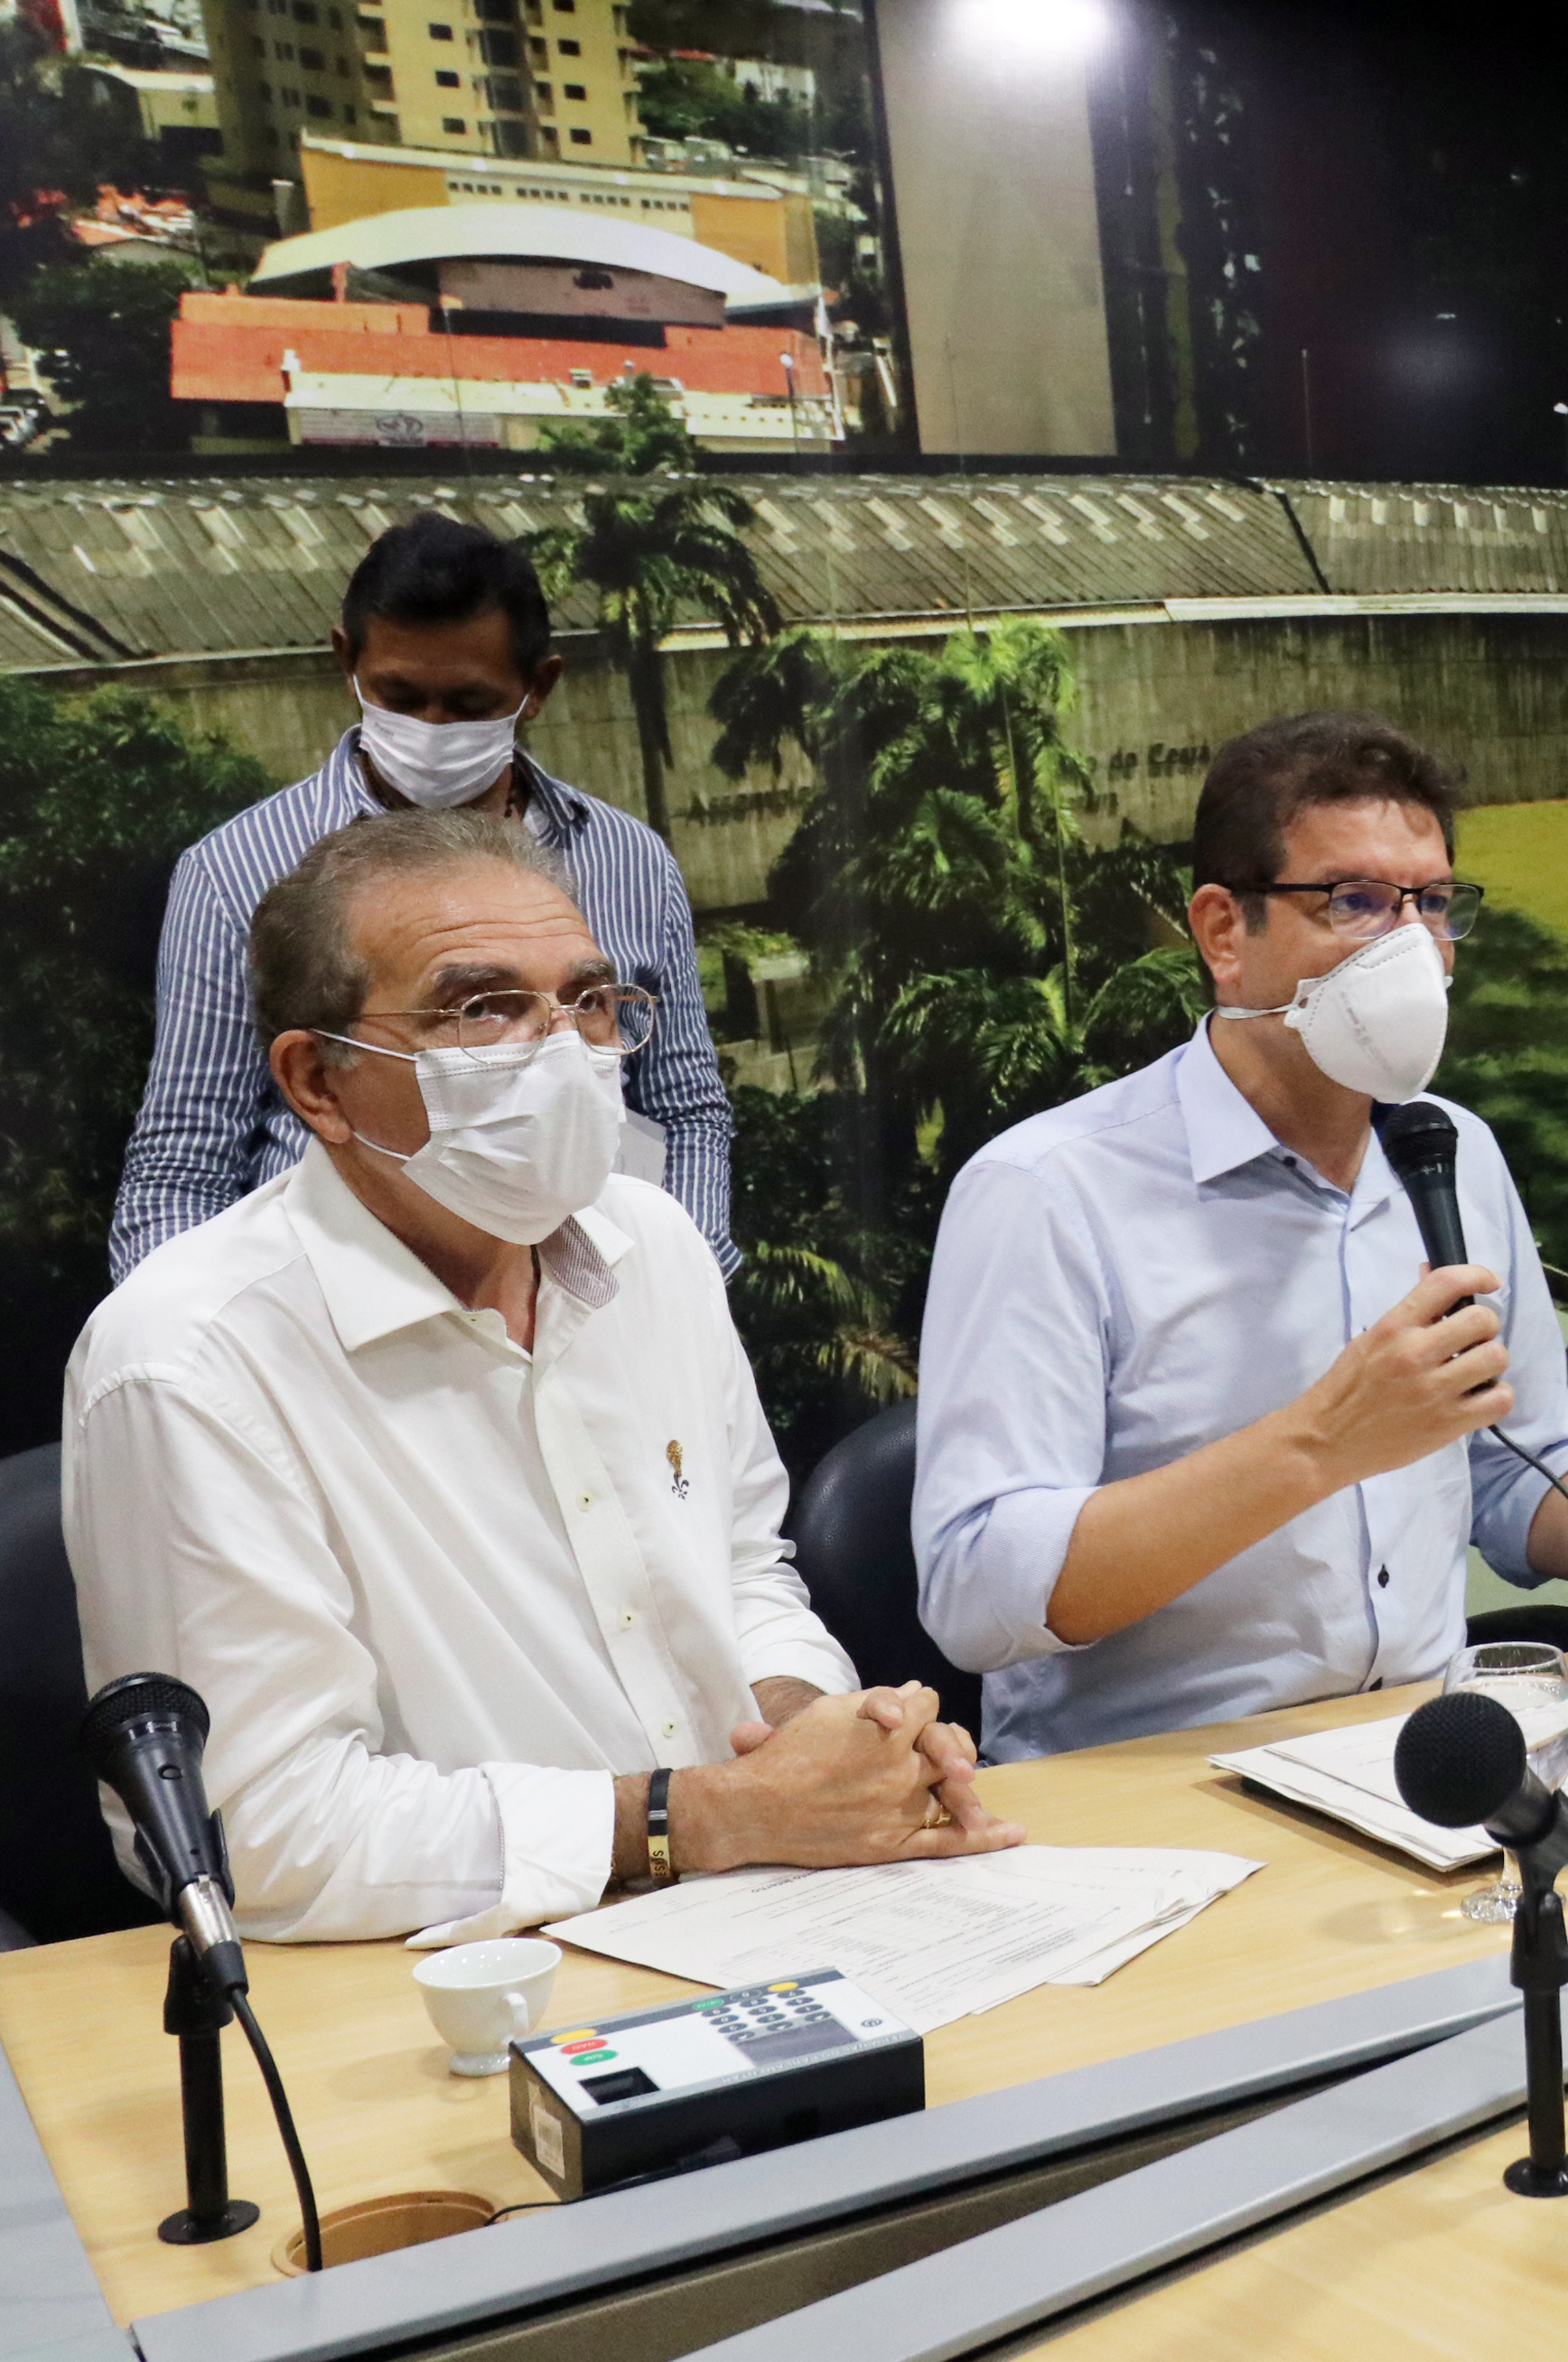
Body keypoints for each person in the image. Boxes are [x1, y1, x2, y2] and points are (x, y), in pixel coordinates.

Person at [65, 813, 1010, 1946]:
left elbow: (743, 1571)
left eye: (589, 1001)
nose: (562, 1051)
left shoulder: (652, 1245)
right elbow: (258, 1830)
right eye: (483, 1008)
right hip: (451, 1981)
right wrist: (697, 1817)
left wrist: (816, 1734)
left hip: (772, 1907)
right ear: (318, 1081)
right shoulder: (187, 1360)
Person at [912, 712, 1568, 1760]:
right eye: (1354, 901)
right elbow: (975, 1593)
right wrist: (1322, 1441)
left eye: (1431, 903)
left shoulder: (1454, 1150)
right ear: (1223, 932)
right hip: (1158, 1781)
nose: (1411, 947)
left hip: (1424, 1751)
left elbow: (1514, 1475)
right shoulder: (1049, 1191)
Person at [110, 509, 733, 1282]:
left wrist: (681, 1284)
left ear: (537, 687)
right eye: (399, 697)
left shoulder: (628, 859)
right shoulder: (238, 869)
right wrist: (192, 1329)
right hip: (337, 1313)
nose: (432, 729)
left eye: (469, 705)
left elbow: (684, 1108)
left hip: (588, 1293)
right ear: (347, 661)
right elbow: (185, 1160)